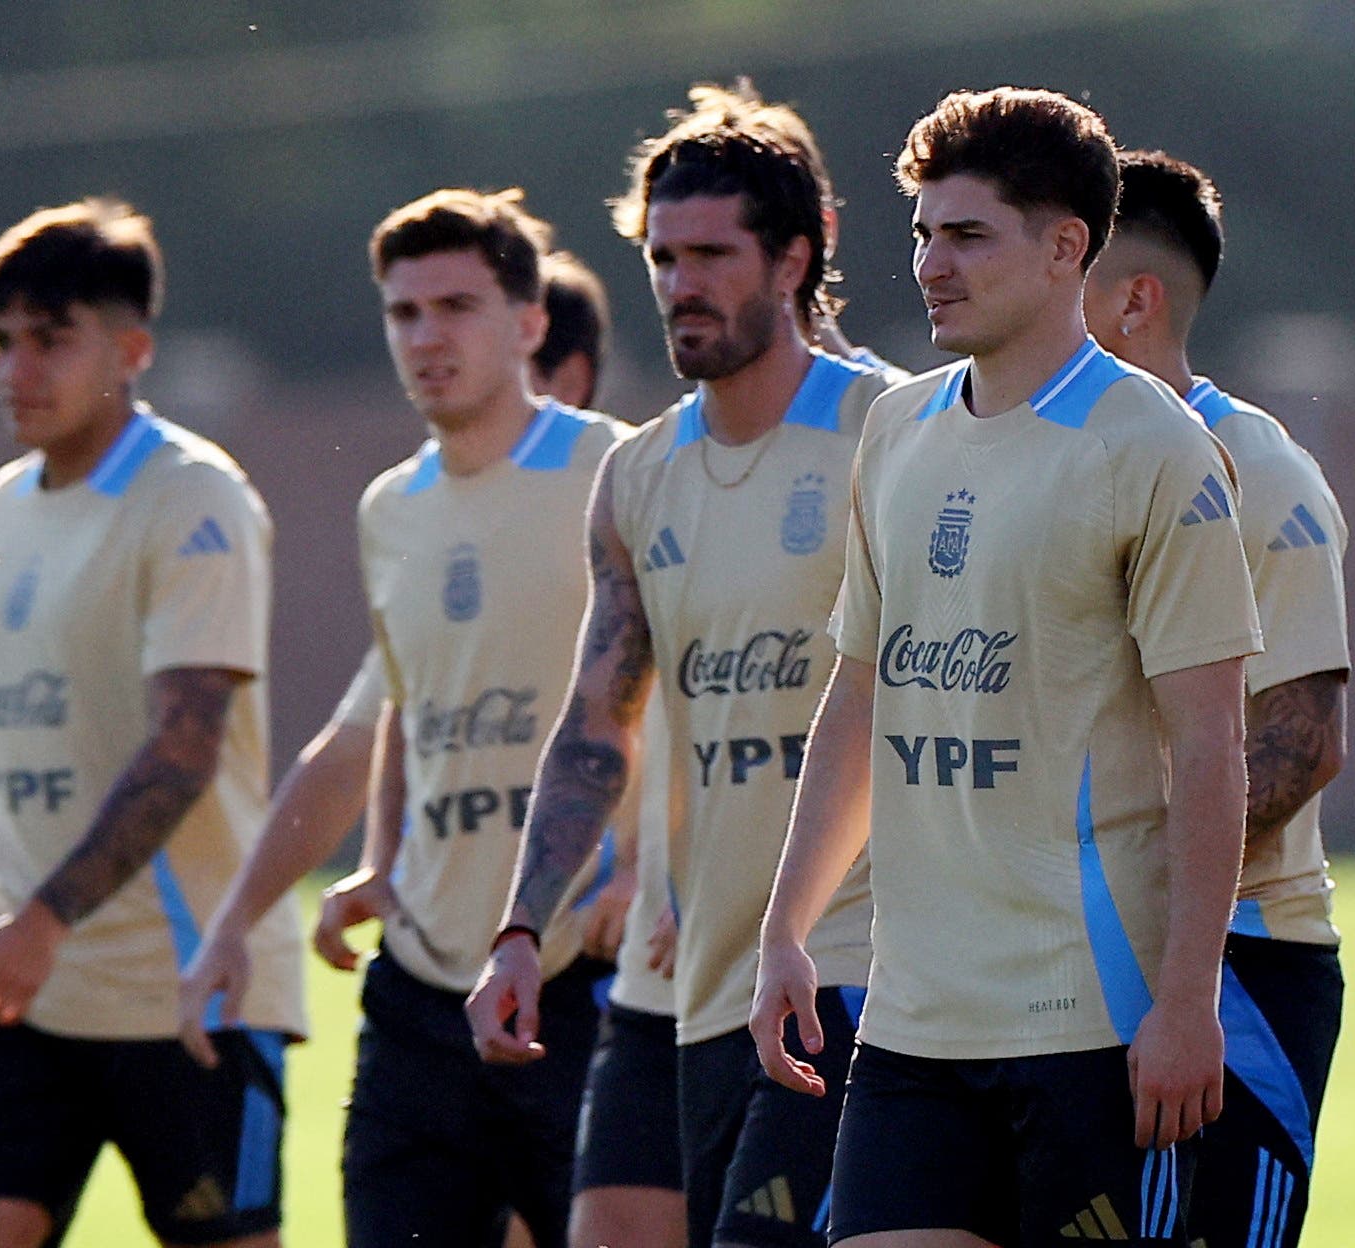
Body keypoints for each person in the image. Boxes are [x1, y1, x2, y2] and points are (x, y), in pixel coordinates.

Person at [750, 88, 1263, 1247]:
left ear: (1065, 247)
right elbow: (861, 694)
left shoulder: (1158, 451)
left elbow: (1211, 744)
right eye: (924, 232)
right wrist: (787, 925)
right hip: (914, 1027)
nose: (931, 262)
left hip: (1091, 1021)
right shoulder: (896, 429)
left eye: (968, 234)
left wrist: (1186, 1002)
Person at [466, 83, 896, 1248]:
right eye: (661, 257)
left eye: (711, 254)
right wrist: (522, 930)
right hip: (700, 989)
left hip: (856, 969)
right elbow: (597, 723)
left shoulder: (894, 435)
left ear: (795, 259)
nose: (678, 284)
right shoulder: (639, 477)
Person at [173, 241, 624, 1247]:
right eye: (404, 312)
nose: (427, 336)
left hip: (581, 975)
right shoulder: (392, 508)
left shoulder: (613, 468)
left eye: (457, 305)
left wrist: (646, 871)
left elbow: (672, 695)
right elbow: (384, 721)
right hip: (422, 995)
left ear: (530, 323)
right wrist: (243, 918)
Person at [0, 198, 302, 1248]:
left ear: (131, 351)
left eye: (49, 339)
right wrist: (27, 931)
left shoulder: (191, 497)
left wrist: (44, 921)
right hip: (23, 990)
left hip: (187, 996)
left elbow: (184, 749)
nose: (14, 367)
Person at [1083, 149, 1350, 1248]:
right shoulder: (1028, 464)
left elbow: (1301, 741)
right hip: (1059, 955)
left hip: (1237, 962)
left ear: (1133, 299)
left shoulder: (1259, 475)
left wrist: (1136, 890)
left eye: (1064, 262)